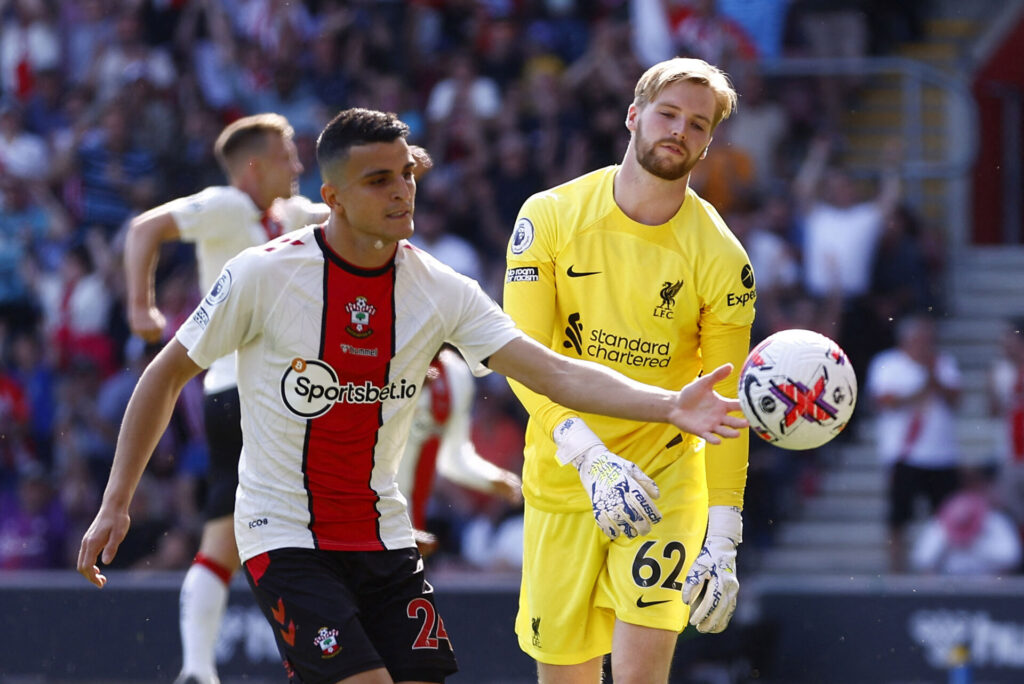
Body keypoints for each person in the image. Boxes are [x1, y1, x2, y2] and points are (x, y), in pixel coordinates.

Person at [77, 107, 748, 684]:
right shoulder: (262, 275)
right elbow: (164, 375)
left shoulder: (439, 289)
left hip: (384, 538)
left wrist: (666, 405)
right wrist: (115, 502)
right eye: (379, 180)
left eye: (407, 174)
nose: (403, 192)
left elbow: (551, 370)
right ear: (332, 197)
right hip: (285, 535)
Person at [503, 57, 755, 683]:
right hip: (565, 472)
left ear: (708, 141)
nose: (679, 131)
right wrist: (587, 454)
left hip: (665, 473)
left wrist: (723, 537)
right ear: (633, 115)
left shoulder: (723, 257)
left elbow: (726, 404)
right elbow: (520, 357)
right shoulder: (550, 216)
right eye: (667, 113)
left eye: (698, 124)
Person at [123, 112, 328, 684]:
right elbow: (144, 229)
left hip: (271, 392)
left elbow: (339, 212)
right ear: (255, 166)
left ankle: (197, 670)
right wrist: (142, 308)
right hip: (245, 391)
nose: (297, 164)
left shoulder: (291, 214)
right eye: (287, 154)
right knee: (302, 528)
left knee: (225, 538)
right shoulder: (225, 205)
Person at [398, 346, 523, 557]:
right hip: (385, 512)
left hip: (418, 518)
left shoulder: (456, 372)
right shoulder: (396, 362)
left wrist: (495, 481)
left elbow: (453, 457)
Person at [865, 313, 963, 573]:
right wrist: (922, 388)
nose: (928, 344)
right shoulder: (888, 363)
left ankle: (941, 570)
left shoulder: (942, 363)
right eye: (922, 339)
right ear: (908, 340)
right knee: (899, 517)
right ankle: (897, 569)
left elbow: (955, 400)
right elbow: (885, 402)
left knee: (944, 517)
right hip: (905, 453)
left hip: (942, 455)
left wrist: (933, 377)